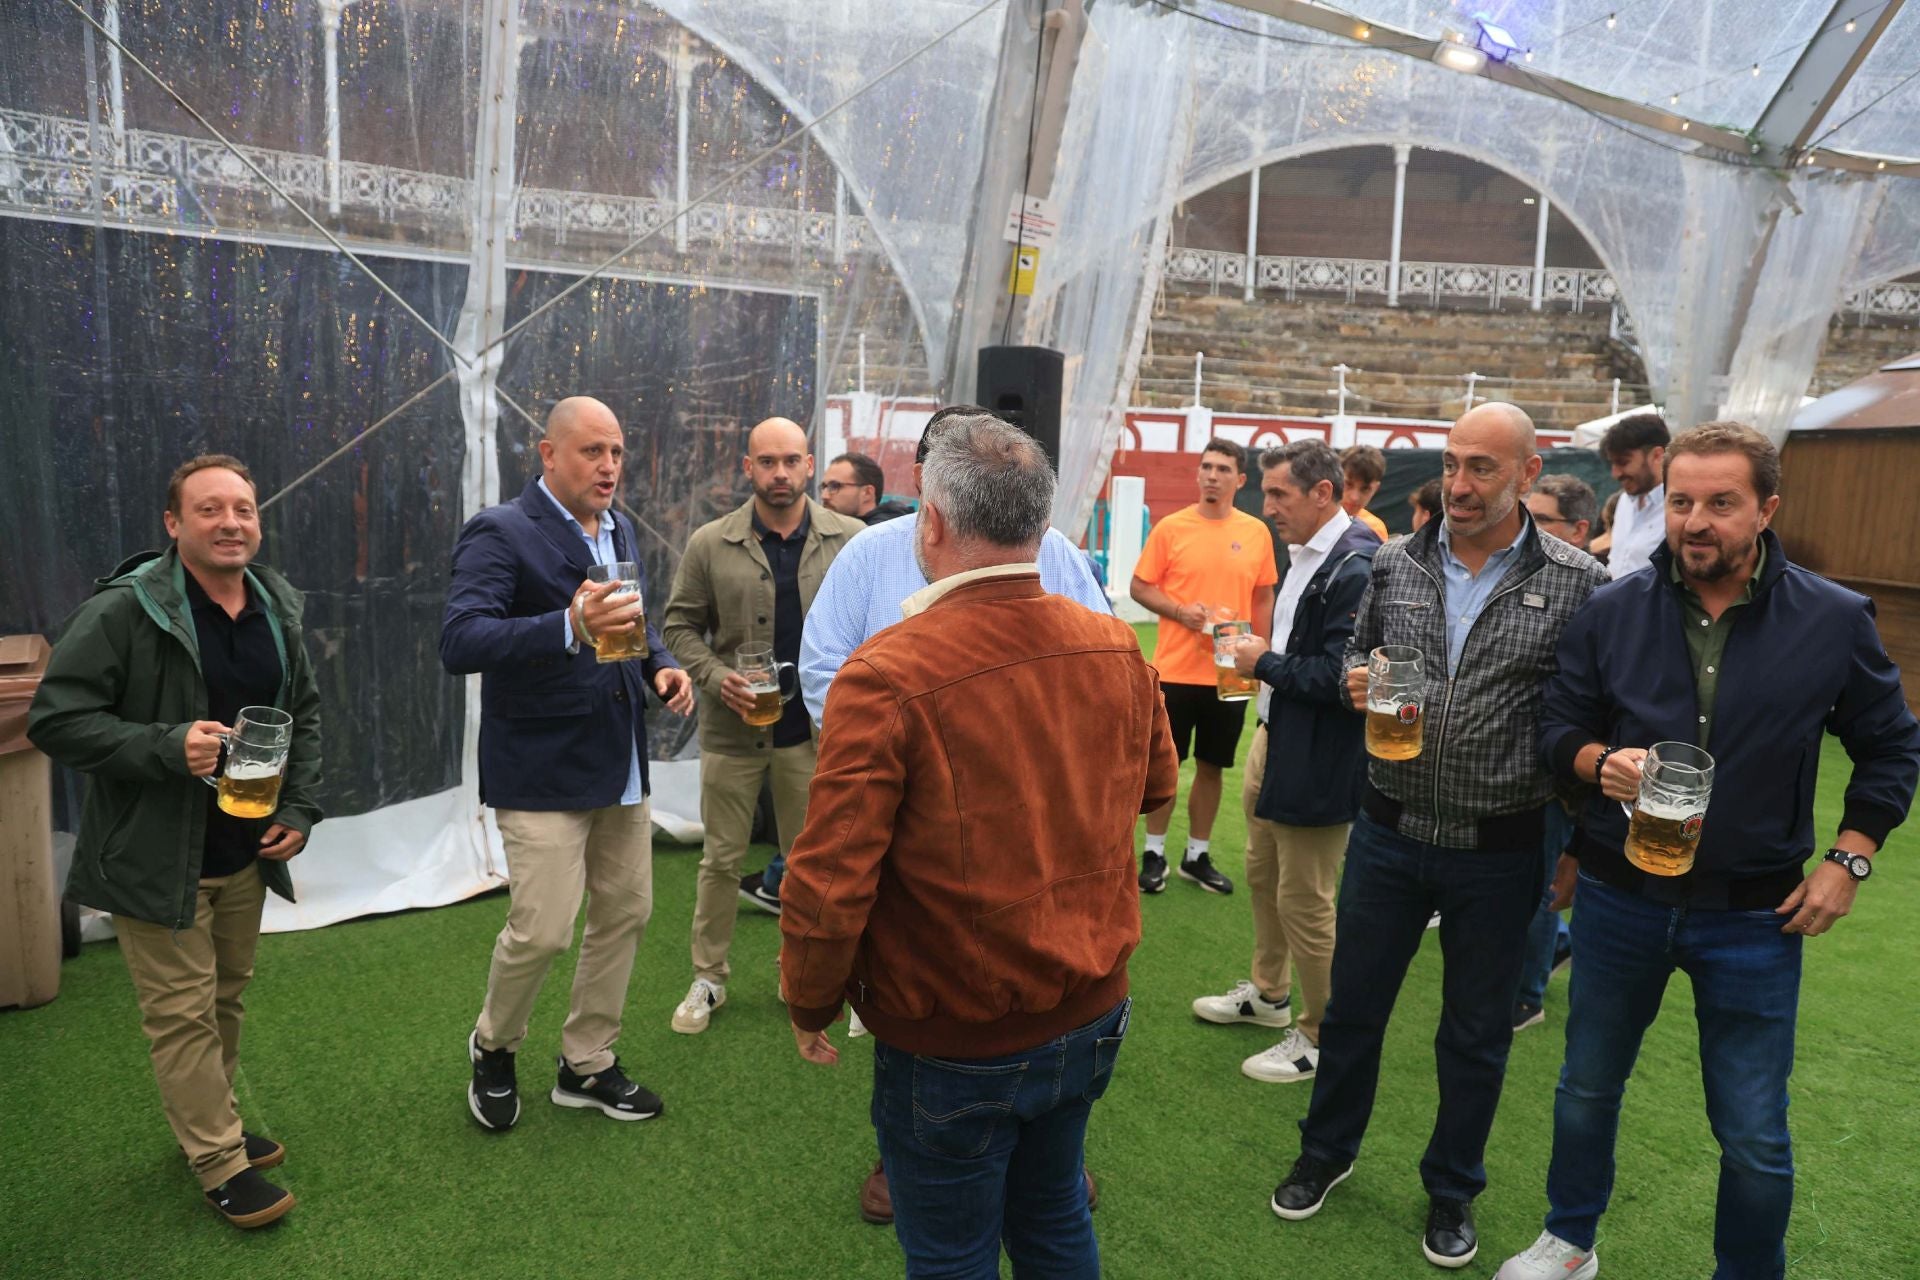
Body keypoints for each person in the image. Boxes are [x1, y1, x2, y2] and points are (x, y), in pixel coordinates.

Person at [1497, 423, 1920, 1280]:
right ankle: (1569, 1241)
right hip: (1620, 897)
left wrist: (1849, 859)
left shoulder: (1833, 619)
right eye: (1682, 501)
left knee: (1753, 1130)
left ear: (1766, 509)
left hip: (1756, 916)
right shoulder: (1613, 610)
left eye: (1722, 503)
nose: (1697, 521)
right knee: (1586, 1089)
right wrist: (1597, 761)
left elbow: (1890, 747)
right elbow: (1558, 725)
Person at [779, 415, 1178, 1279]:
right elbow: (1156, 789)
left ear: (930, 522)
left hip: (954, 1024)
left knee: (954, 1253)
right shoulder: (1114, 644)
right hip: (1090, 999)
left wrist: (810, 1000)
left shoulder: (886, 673)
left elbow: (831, 876)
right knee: (1054, 1216)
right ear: (1040, 523)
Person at [1270, 403, 1608, 1270]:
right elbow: (1359, 653)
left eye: (1481, 468)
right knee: (1353, 1010)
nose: (1459, 484)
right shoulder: (1394, 560)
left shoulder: (1580, 582)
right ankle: (1326, 1151)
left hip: (1503, 844)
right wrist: (1356, 679)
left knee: (1475, 1033)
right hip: (1388, 829)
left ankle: (1452, 1187)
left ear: (1528, 474)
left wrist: (1572, 834)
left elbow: (1591, 712)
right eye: (1452, 464)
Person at [28, 455, 323, 1228]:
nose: (230, 523)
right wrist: (166, 745)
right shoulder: (124, 611)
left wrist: (299, 805)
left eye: (243, 509)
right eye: (209, 509)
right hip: (154, 854)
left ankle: (209, 1122)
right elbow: (55, 720)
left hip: (245, 849)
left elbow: (305, 714)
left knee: (223, 999)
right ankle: (219, 1161)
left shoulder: (276, 604)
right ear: (172, 523)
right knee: (182, 1016)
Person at [442, 395, 695, 1132]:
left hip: (619, 760)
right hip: (540, 767)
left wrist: (661, 666)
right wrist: (567, 625)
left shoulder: (618, 526)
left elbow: (634, 623)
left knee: (625, 913)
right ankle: (494, 1046)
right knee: (544, 930)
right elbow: (461, 640)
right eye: (592, 451)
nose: (609, 466)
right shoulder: (501, 530)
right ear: (548, 454)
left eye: (616, 452)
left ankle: (587, 1061)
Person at [658, 418, 865, 1032]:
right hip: (732, 732)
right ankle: (708, 978)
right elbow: (678, 627)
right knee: (721, 861)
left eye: (791, 461)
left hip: (813, 734)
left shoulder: (850, 540)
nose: (780, 473)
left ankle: (799, 973)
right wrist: (716, 676)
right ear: (747, 467)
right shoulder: (710, 543)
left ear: (809, 465)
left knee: (810, 864)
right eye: (767, 462)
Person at [1192, 441, 1380, 1083]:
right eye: (1266, 492)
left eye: (1279, 494)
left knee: (1306, 899)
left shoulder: (1356, 563)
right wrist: (1266, 655)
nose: (1266, 505)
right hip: (1278, 737)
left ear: (1323, 493)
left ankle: (1322, 1036)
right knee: (1264, 873)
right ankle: (1270, 995)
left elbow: (1345, 679)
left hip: (1321, 755)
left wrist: (1264, 661)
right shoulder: (1309, 553)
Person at [1129, 439, 1278, 897]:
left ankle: (1197, 855)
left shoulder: (1256, 532)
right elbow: (1139, 586)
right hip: (1174, 670)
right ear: (1198, 474)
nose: (1212, 475)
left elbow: (1263, 595)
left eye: (1223, 469)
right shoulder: (1171, 528)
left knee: (1213, 766)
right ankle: (1153, 852)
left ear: (1240, 479)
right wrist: (1179, 611)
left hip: (1231, 670)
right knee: (1166, 766)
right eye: (1206, 467)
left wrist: (1264, 654)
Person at [1511, 472, 1599, 1031]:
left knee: (1541, 883)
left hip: (1563, 770)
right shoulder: (1524, 573)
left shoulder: (1597, 593)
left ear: (1580, 530)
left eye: (1542, 520)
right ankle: (1556, 947)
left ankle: (1526, 996)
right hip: (1520, 760)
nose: (1529, 530)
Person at [1599, 413, 1669, 579]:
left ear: (1657, 455)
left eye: (1623, 462)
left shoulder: (1680, 509)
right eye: (1612, 463)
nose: (1615, 473)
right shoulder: (1624, 501)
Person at [820, 450, 913, 524]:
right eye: (824, 487)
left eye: (835, 486)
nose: (824, 496)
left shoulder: (881, 536)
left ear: (867, 493)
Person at [1340, 445, 1391, 541]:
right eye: (1348, 484)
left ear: (1375, 488)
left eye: (1365, 489)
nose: (1354, 497)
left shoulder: (1375, 530)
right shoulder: (1315, 518)